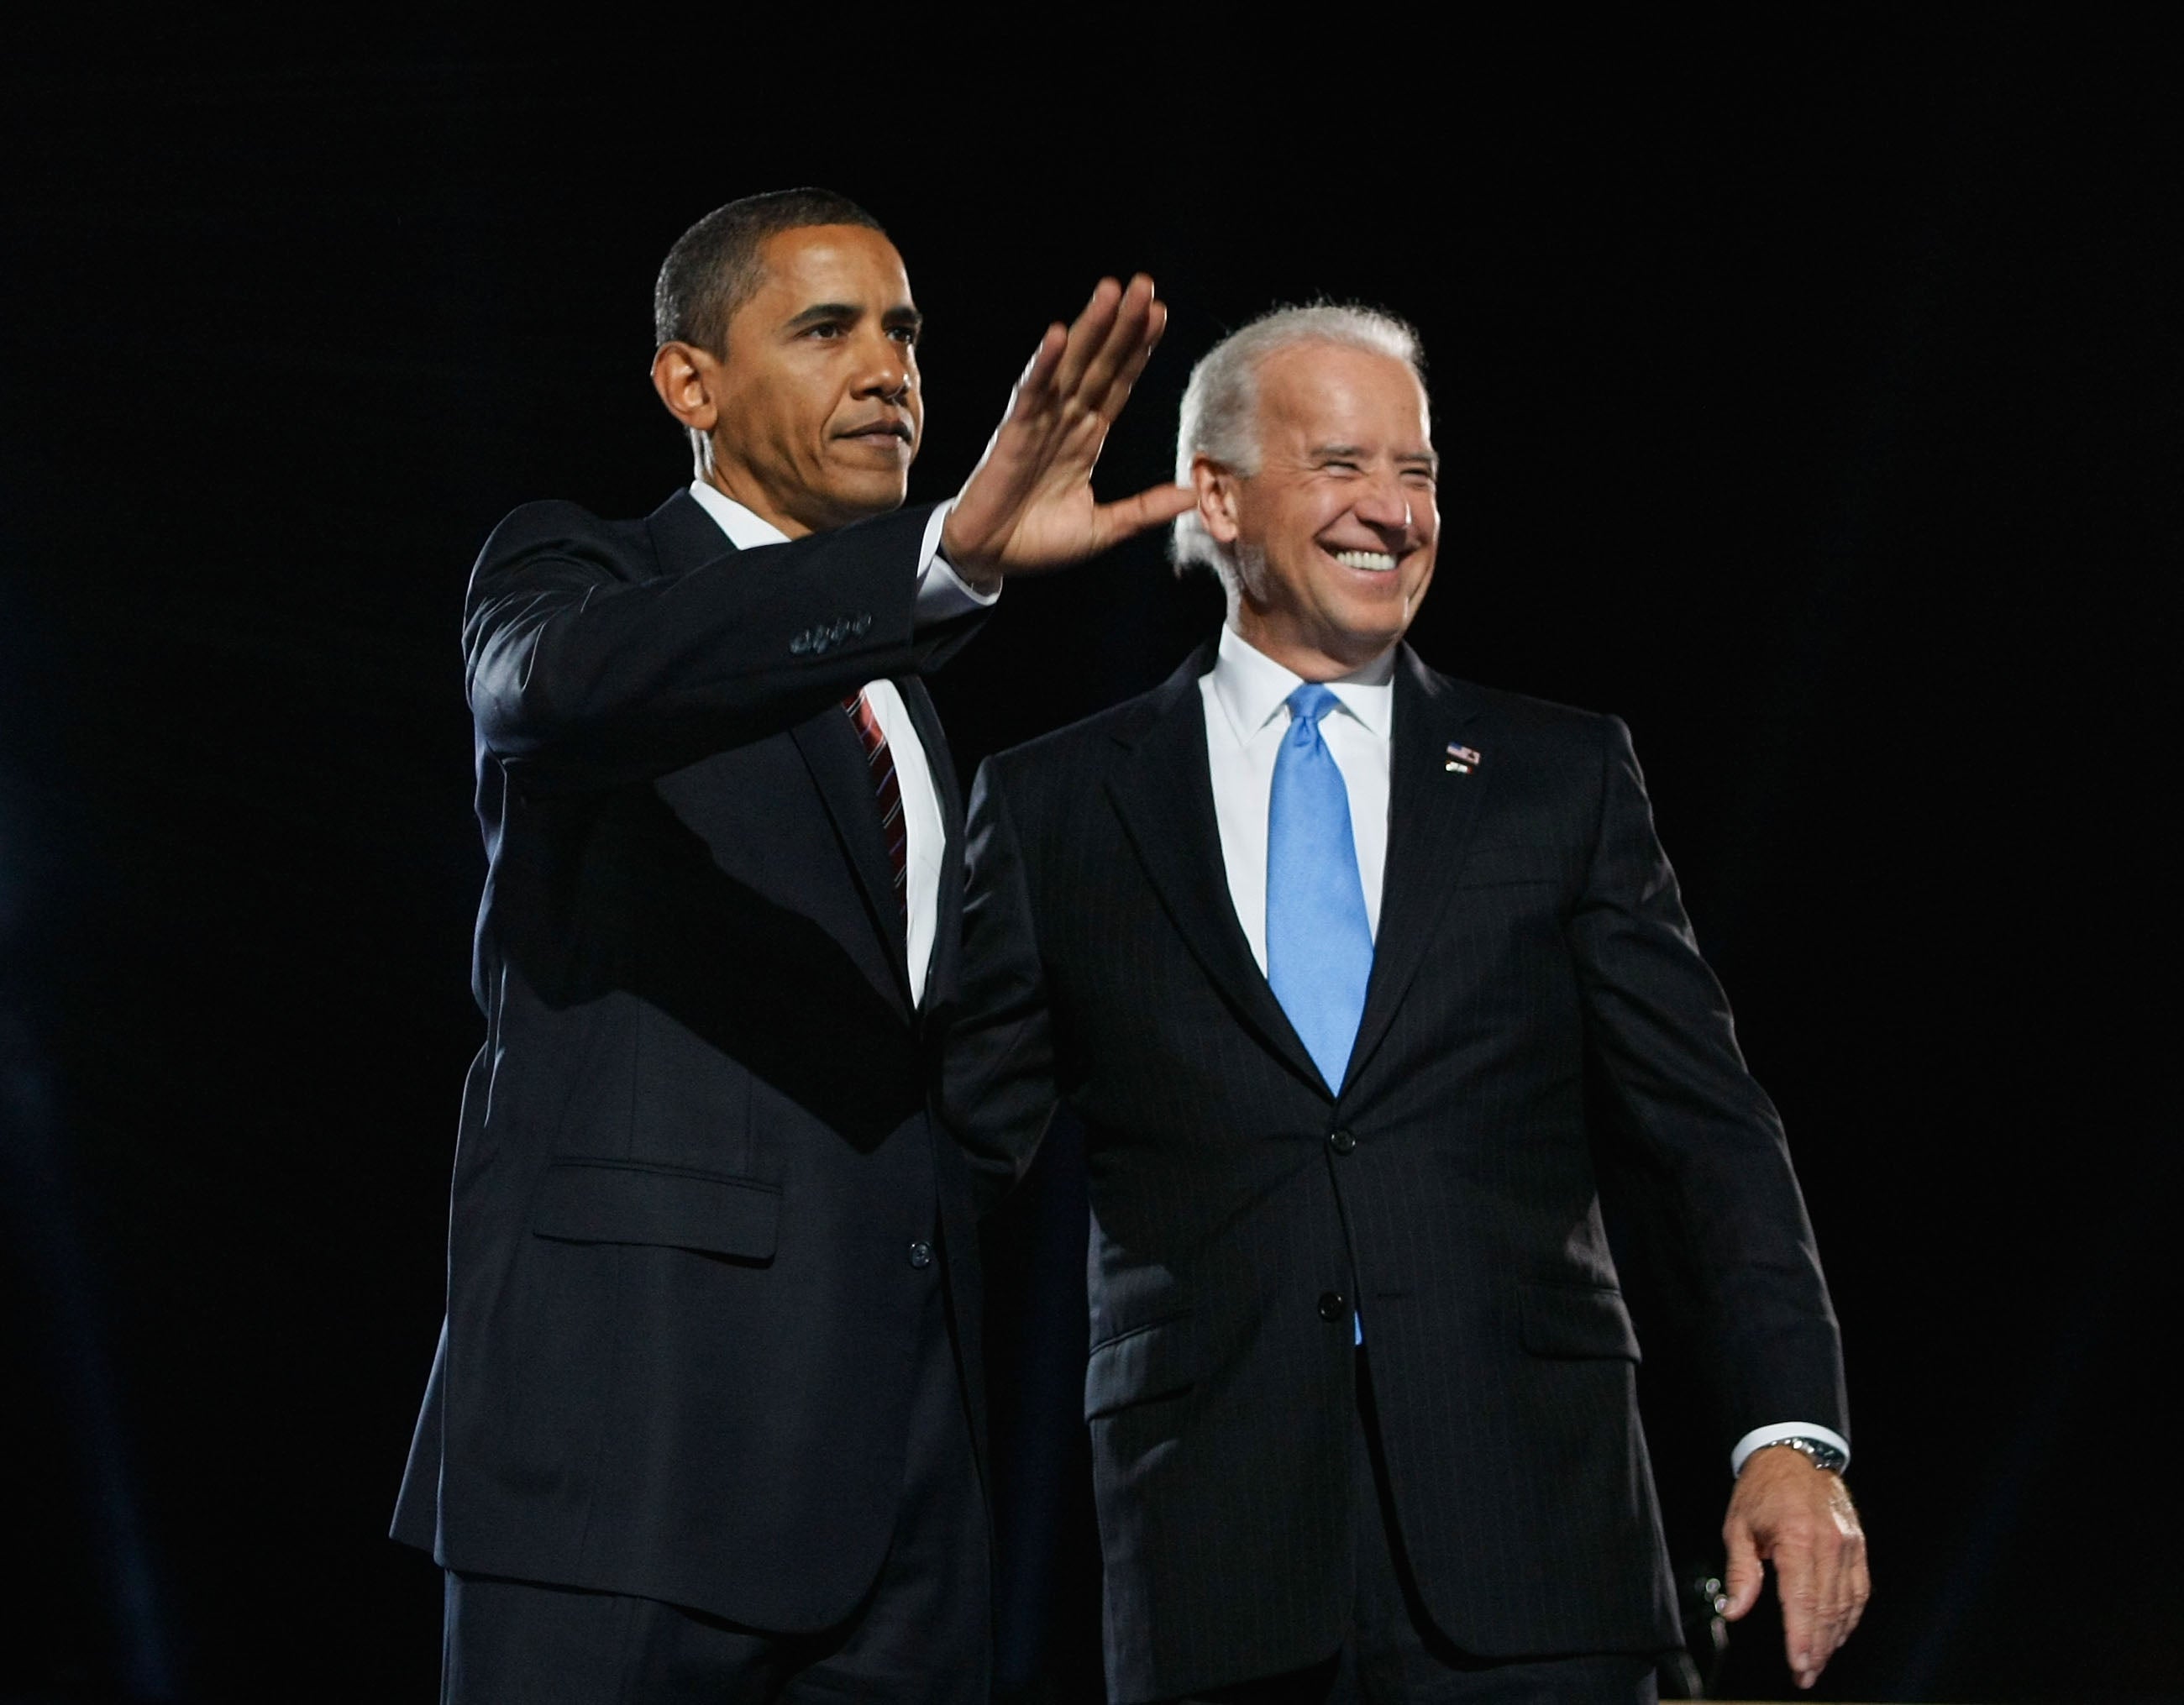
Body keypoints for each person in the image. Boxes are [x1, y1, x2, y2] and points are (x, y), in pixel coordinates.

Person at [946, 305, 1867, 1702]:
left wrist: (1789, 1435)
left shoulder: (1559, 781)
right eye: (1341, 466)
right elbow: (945, 1165)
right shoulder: (1057, 804)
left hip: (1543, 1555)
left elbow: (1708, 1131)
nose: (1393, 511)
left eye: (1419, 472)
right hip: (1219, 1562)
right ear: (1218, 495)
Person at [390, 186, 1190, 1704]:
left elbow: (951, 1063)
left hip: (897, 1505)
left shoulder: (913, 706)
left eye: (903, 331)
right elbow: (554, 693)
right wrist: (944, 559)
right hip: (623, 1468)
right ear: (689, 384)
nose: (889, 368)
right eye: (826, 328)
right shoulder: (576, 578)